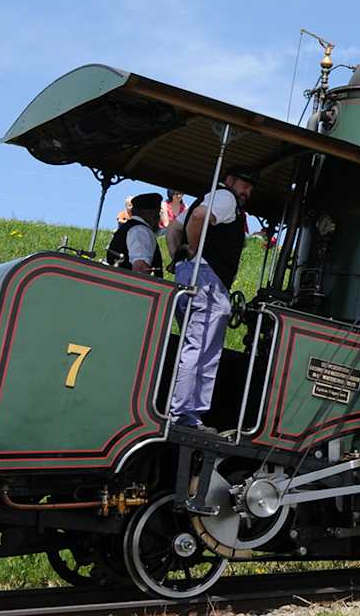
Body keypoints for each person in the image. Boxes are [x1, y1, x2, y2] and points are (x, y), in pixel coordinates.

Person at [165, 168, 257, 431]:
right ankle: (185, 414)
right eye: (245, 185)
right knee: (202, 349)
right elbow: (200, 217)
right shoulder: (225, 199)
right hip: (207, 279)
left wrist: (179, 260)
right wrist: (194, 252)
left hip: (189, 276)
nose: (247, 192)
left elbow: (173, 229)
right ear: (229, 181)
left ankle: (183, 409)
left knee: (190, 345)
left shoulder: (206, 197)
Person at [105, 192, 164, 276]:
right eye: (157, 214)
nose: (158, 218)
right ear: (150, 213)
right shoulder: (141, 231)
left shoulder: (129, 228)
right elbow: (140, 267)